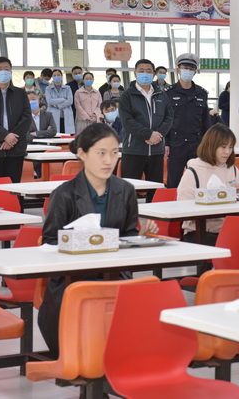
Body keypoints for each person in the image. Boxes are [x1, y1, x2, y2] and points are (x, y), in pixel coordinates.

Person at [38, 123, 158, 358]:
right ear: (82, 154)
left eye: (114, 153)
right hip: (74, 282)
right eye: (101, 153)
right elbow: (50, 242)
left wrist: (139, 236)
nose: (108, 161)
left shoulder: (125, 190)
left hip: (116, 277)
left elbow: (127, 234)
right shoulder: (64, 194)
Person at [177, 124, 239, 243]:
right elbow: (183, 208)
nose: (227, 152)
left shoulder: (233, 170)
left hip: (227, 230)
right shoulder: (193, 171)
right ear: (211, 146)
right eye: (223, 147)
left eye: (230, 147)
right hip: (198, 232)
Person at [119, 59, 174, 183]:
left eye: (149, 71)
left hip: (156, 151)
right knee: (130, 188)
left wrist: (158, 135)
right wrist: (149, 135)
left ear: (154, 74)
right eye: (141, 71)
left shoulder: (161, 94)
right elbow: (127, 121)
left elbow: (169, 117)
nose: (145, 74)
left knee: (155, 187)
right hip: (133, 150)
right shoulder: (127, 95)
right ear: (135, 73)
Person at [165, 53, 211, 188]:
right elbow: (164, 120)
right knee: (174, 180)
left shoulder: (201, 93)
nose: (188, 71)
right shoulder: (168, 93)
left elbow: (206, 121)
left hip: (196, 143)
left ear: (195, 72)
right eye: (185, 68)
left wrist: (207, 144)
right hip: (175, 143)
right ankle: (173, 202)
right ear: (178, 70)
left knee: (199, 180)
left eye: (191, 69)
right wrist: (165, 143)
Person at [26, 92, 56, 178]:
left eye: (33, 99)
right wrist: (45, 133)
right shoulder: (23, 117)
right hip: (31, 148)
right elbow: (26, 136)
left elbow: (53, 131)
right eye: (28, 100)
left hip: (46, 148)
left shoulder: (48, 115)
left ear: (39, 101)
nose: (31, 102)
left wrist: (36, 133)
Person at [46, 69, 75, 134]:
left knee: (66, 135)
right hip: (53, 115)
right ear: (52, 77)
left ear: (61, 76)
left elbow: (70, 101)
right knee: (55, 135)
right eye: (54, 75)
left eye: (58, 75)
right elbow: (49, 101)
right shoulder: (48, 88)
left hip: (66, 115)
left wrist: (58, 105)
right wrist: (63, 99)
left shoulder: (67, 88)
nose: (56, 76)